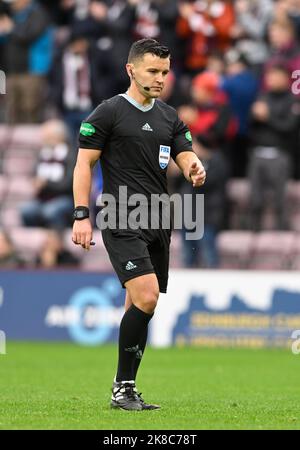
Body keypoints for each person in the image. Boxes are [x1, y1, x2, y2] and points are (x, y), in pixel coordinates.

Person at [72, 38, 206, 411]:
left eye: (164, 71)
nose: (161, 78)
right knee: (146, 296)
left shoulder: (169, 117)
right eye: (152, 71)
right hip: (121, 216)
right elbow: (84, 164)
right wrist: (81, 215)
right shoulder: (108, 112)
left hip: (159, 219)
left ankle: (125, 389)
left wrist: (195, 168)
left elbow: (186, 155)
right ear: (131, 70)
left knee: (140, 304)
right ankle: (122, 388)